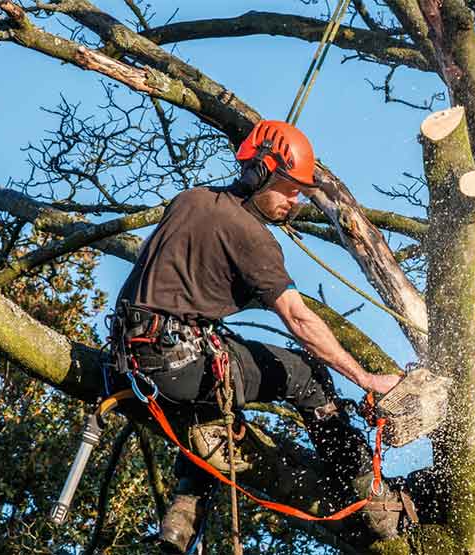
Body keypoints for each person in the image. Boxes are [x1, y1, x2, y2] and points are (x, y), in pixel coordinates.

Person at [112, 121, 409, 553]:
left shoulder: (189, 201)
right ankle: (370, 496)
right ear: (260, 174)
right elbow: (298, 318)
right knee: (306, 373)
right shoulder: (252, 238)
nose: (295, 200)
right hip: (178, 363)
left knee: (214, 416)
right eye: (289, 188)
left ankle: (179, 523)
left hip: (129, 365)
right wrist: (366, 379)